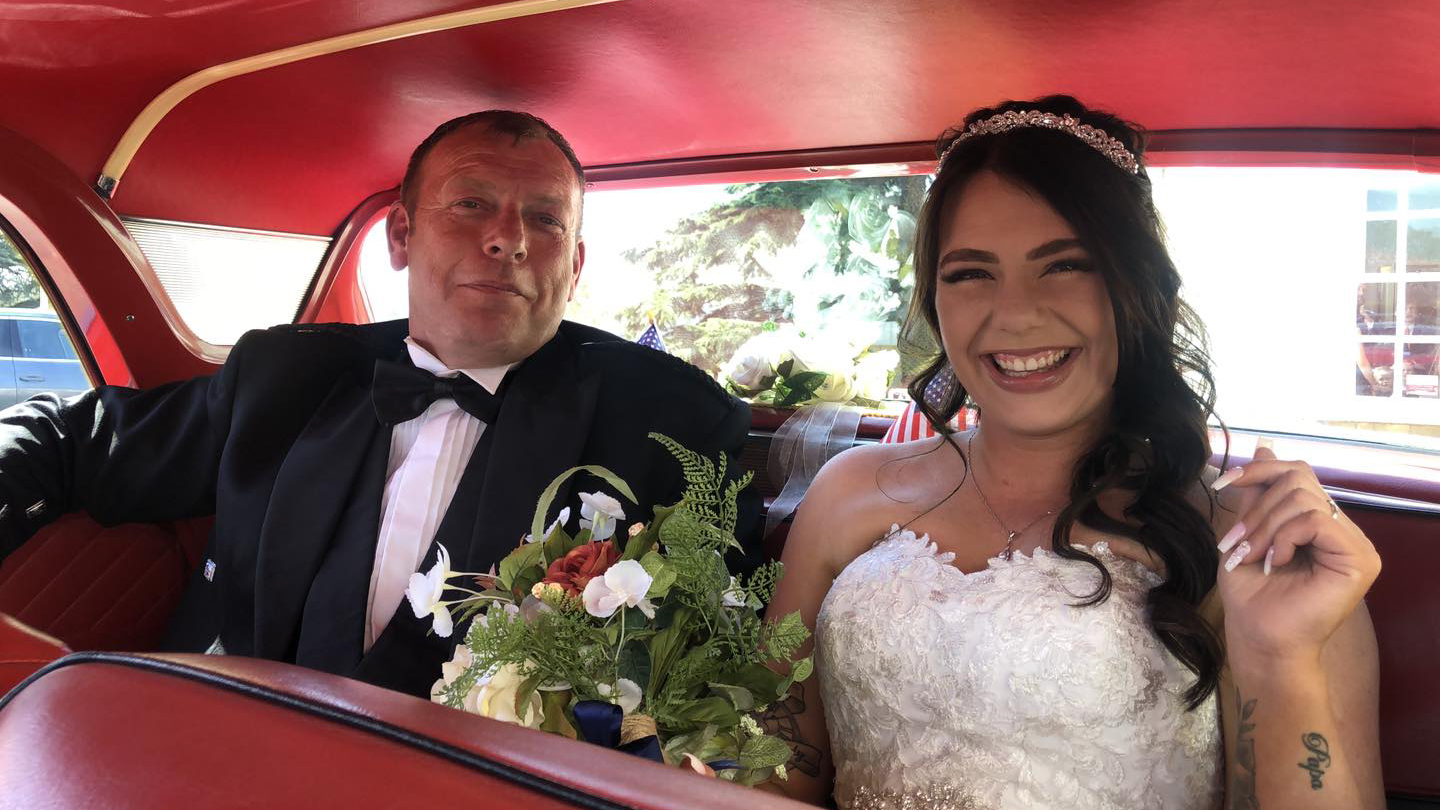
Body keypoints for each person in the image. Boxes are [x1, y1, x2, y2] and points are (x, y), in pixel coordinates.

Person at [0, 110, 756, 698]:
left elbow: (713, 670)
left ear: (575, 263)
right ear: (401, 234)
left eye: (546, 219)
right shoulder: (284, 375)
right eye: (472, 203)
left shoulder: (674, 425)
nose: (509, 240)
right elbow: (72, 440)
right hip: (223, 742)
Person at [763, 97, 1383, 809]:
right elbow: (779, 763)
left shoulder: (1248, 538)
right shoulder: (849, 493)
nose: (1016, 314)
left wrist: (1282, 661)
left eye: (1065, 266)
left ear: (1136, 291)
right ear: (935, 300)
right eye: (970, 273)